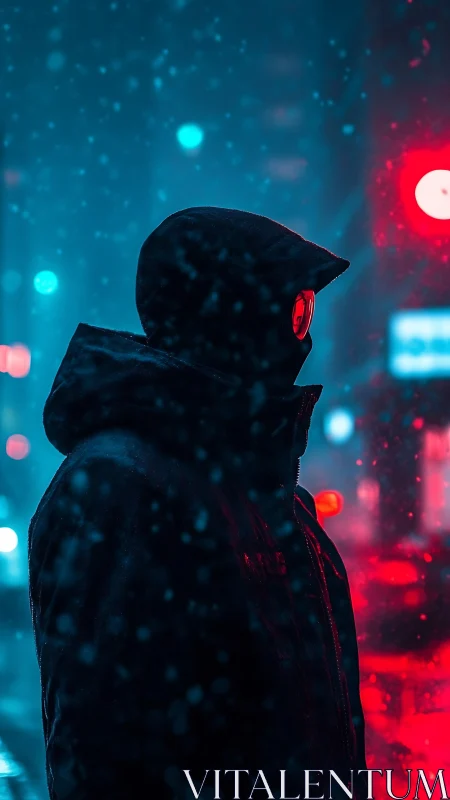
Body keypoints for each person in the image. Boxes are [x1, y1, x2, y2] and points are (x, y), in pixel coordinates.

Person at [28, 207, 367, 800]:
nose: (304, 335)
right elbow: (107, 755)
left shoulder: (261, 495)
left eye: (307, 310)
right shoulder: (122, 486)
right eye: (294, 309)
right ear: (231, 316)